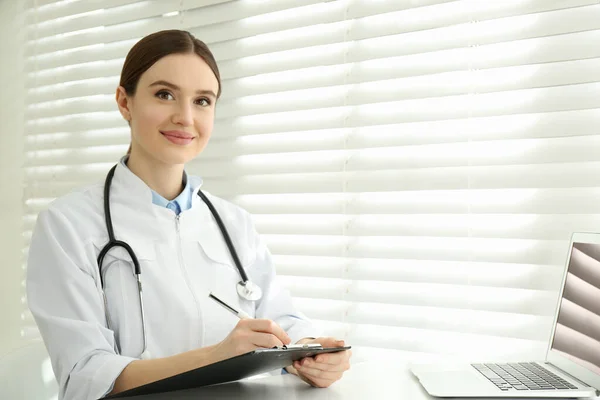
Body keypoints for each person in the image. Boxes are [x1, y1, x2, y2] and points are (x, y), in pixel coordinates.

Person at [26, 29, 351, 400]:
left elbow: (282, 321)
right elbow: (84, 374)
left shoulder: (234, 223)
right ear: (124, 102)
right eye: (165, 95)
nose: (185, 117)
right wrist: (214, 358)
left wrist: (308, 352)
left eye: (202, 101)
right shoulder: (67, 225)